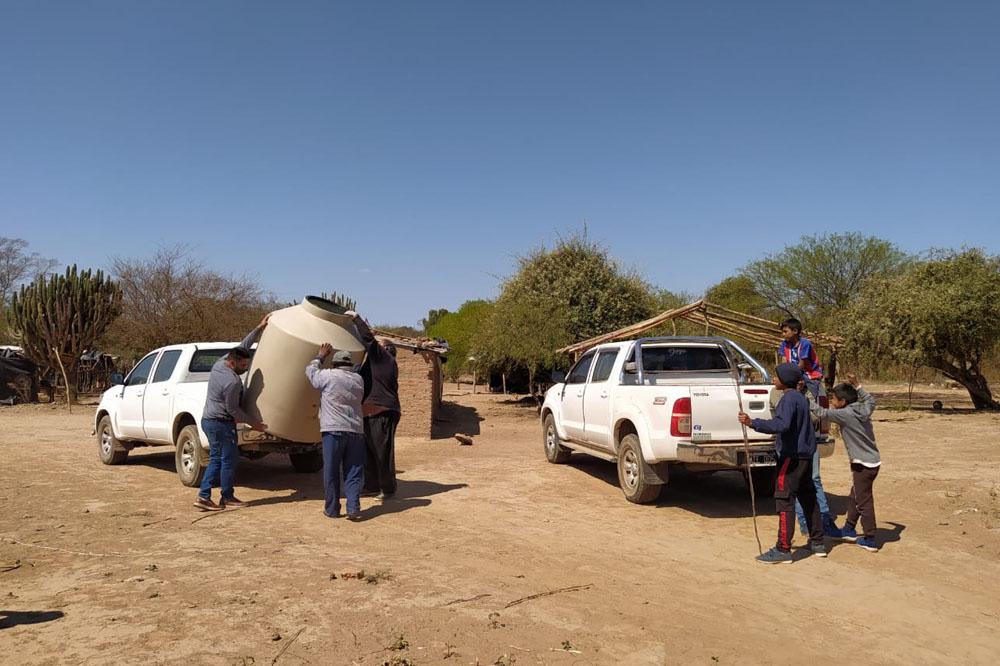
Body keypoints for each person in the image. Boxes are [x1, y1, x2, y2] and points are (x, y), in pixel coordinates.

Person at [738, 362, 825, 564]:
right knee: (808, 497)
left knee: (785, 499)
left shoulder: (788, 399)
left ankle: (783, 548)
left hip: (791, 457)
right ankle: (817, 542)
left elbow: (781, 425)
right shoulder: (800, 398)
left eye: (776, 376)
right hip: (805, 455)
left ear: (785, 380)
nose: (773, 379)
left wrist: (753, 423)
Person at [194, 315, 269, 511]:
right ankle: (221, 496)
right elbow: (233, 410)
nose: (245, 369)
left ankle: (209, 496)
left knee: (218, 458)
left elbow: (243, 344)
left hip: (209, 420)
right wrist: (255, 424)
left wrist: (259, 328)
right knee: (226, 460)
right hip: (221, 423)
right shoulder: (232, 382)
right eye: (244, 366)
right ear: (234, 363)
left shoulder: (220, 363)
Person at [806, 373, 881, 552]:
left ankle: (870, 538)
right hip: (873, 461)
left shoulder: (845, 414)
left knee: (864, 501)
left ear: (843, 402)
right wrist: (858, 386)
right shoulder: (863, 408)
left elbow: (821, 413)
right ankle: (849, 527)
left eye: (833, 399)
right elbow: (870, 400)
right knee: (856, 496)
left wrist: (806, 398)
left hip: (862, 464)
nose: (832, 402)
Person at [779, 318, 838, 536]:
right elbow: (785, 362)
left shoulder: (804, 345)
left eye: (786, 331)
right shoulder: (783, 396)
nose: (784, 334)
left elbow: (802, 365)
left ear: (795, 331)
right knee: (802, 481)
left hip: (808, 379)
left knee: (811, 479)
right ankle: (811, 525)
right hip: (797, 443)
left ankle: (821, 524)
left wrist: (795, 378)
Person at [306, 343, 366, 520]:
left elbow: (310, 372)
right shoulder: (358, 380)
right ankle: (353, 508)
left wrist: (320, 356)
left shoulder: (328, 376)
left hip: (333, 430)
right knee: (354, 471)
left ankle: (332, 509)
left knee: (331, 471)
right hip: (356, 430)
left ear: (334, 363)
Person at [347, 311, 401, 500]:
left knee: (382, 452)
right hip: (370, 413)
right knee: (368, 452)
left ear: (385, 349)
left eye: (379, 345)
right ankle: (371, 486)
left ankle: (388, 488)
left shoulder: (385, 360)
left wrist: (356, 319)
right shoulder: (374, 365)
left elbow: (369, 341)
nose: (375, 346)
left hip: (382, 412)